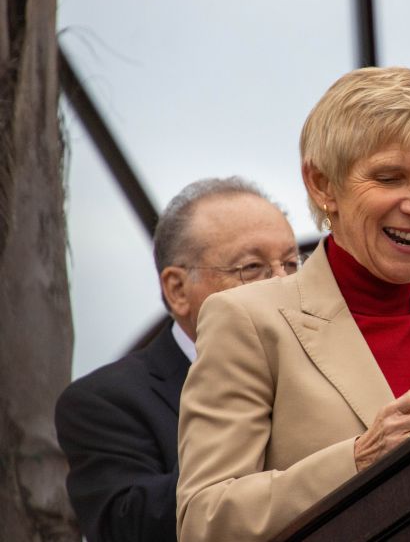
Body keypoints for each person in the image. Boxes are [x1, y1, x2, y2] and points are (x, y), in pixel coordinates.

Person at [176, 66, 410, 540]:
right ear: (322, 184)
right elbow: (205, 521)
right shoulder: (248, 320)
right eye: (390, 177)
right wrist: (359, 458)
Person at [54, 177, 300, 542]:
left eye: (292, 264)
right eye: (251, 267)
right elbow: (128, 528)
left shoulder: (330, 361)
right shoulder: (104, 402)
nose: (282, 283)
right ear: (178, 289)